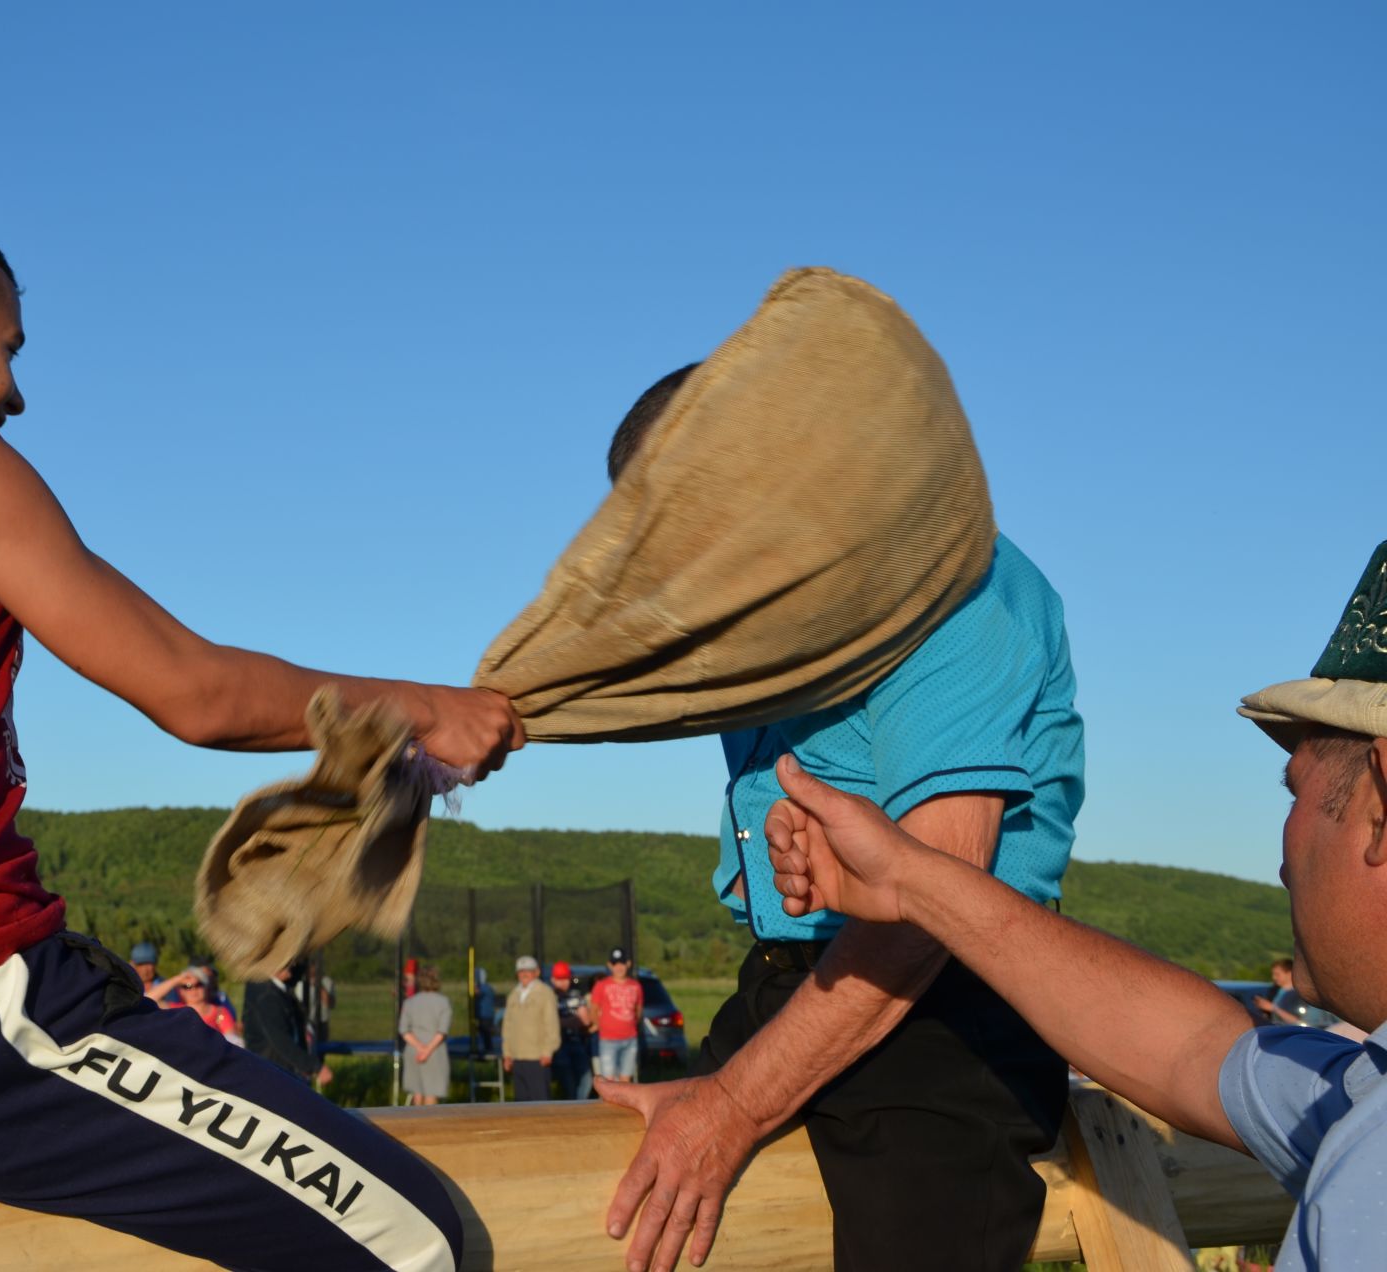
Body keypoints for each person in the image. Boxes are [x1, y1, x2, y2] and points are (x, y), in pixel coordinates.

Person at [0, 198, 514, 1269]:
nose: (14, 391)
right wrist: (425, 708)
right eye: (5, 346)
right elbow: (191, 691)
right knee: (420, 1240)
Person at [754, 539, 1387, 1272]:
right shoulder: (1351, 1100)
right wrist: (915, 879)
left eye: (1295, 790)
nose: (1281, 857)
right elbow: (1190, 1050)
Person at [594, 366, 1083, 1272]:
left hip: (942, 1016)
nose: (679, 580)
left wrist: (736, 1106)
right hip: (788, 987)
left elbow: (936, 903)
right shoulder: (771, 614)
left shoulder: (951, 586)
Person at [243, 964, 334, 1088]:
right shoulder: (268, 996)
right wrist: (315, 1067)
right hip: (274, 1073)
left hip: (271, 1069)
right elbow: (281, 1040)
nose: (292, 964)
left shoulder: (268, 988)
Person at [501, 955, 560, 1103]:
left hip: (537, 1058)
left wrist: (548, 1051)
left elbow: (551, 1024)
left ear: (537, 972)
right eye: (521, 971)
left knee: (540, 1103)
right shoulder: (513, 995)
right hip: (517, 1058)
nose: (524, 974)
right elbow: (507, 1026)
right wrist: (507, 1053)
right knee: (521, 1103)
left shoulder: (545, 993)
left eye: (528, 970)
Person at [588, 948, 644, 1084]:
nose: (619, 967)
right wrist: (602, 1026)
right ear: (609, 965)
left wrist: (632, 1024)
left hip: (630, 1039)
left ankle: (623, 1105)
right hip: (608, 1040)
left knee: (626, 1079)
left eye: (622, 963)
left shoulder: (635, 986)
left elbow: (639, 1009)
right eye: (615, 964)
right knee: (608, 1080)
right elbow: (593, 1010)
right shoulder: (602, 985)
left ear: (628, 964)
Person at [398, 965, 452, 1106]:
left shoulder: (409, 1002)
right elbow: (442, 1031)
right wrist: (427, 1050)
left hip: (413, 1051)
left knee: (417, 1093)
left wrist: (419, 1047)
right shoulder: (443, 1002)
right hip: (434, 1053)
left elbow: (404, 1030)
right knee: (431, 1093)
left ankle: (416, 1125)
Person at [550, 962, 594, 1101]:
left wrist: (562, 1021)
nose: (562, 983)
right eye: (559, 979)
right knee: (569, 1083)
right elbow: (550, 1024)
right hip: (559, 1045)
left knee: (587, 1079)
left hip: (577, 1043)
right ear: (553, 980)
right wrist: (572, 1021)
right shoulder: (550, 998)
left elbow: (585, 1021)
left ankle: (579, 1107)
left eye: (565, 979)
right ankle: (572, 1109)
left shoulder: (576, 995)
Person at [166, 966, 242, 1044]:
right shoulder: (173, 1010)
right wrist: (177, 979)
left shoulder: (219, 1012)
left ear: (206, 987)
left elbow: (233, 1042)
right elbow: (153, 999)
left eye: (199, 984)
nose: (193, 989)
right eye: (187, 986)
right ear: (180, 991)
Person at [472, 967, 498, 1057]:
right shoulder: (486, 987)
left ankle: (489, 1049)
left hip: (486, 1014)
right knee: (483, 1031)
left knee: (486, 1031)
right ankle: (487, 1048)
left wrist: (473, 985)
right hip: (483, 1014)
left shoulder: (484, 987)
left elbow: (476, 992)